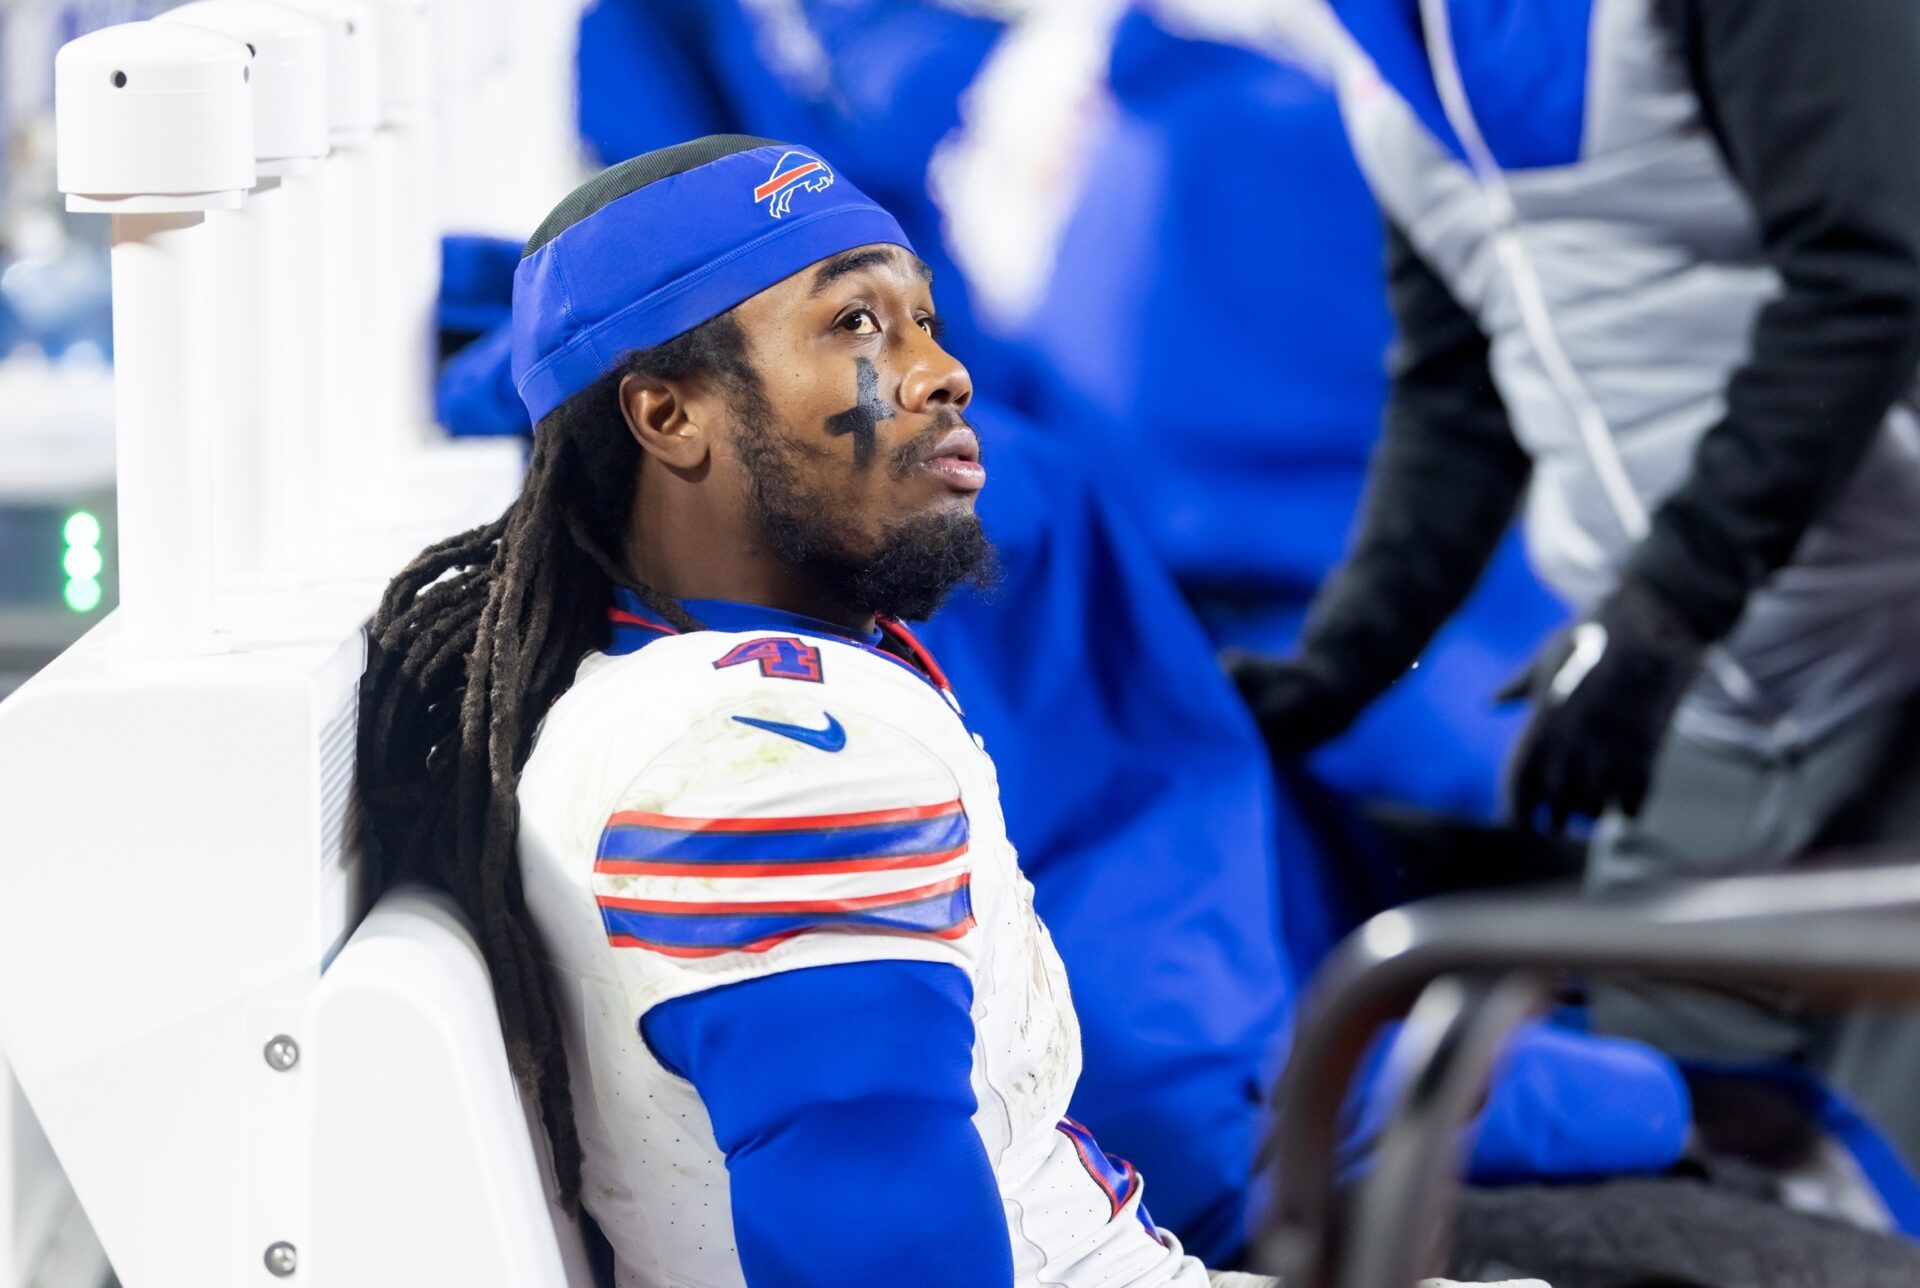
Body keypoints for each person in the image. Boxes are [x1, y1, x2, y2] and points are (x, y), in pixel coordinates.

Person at [357, 134, 1542, 1287]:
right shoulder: (774, 757)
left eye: (924, 318)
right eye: (855, 323)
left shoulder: (673, 679)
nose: (941, 369)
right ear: (670, 417)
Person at [1236, 0, 1920, 1149]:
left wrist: (1664, 608)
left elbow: (1870, 268)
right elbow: (1461, 379)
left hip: (1882, 631)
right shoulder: (1386, 42)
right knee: (1687, 1139)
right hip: (1712, 682)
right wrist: (1346, 655)